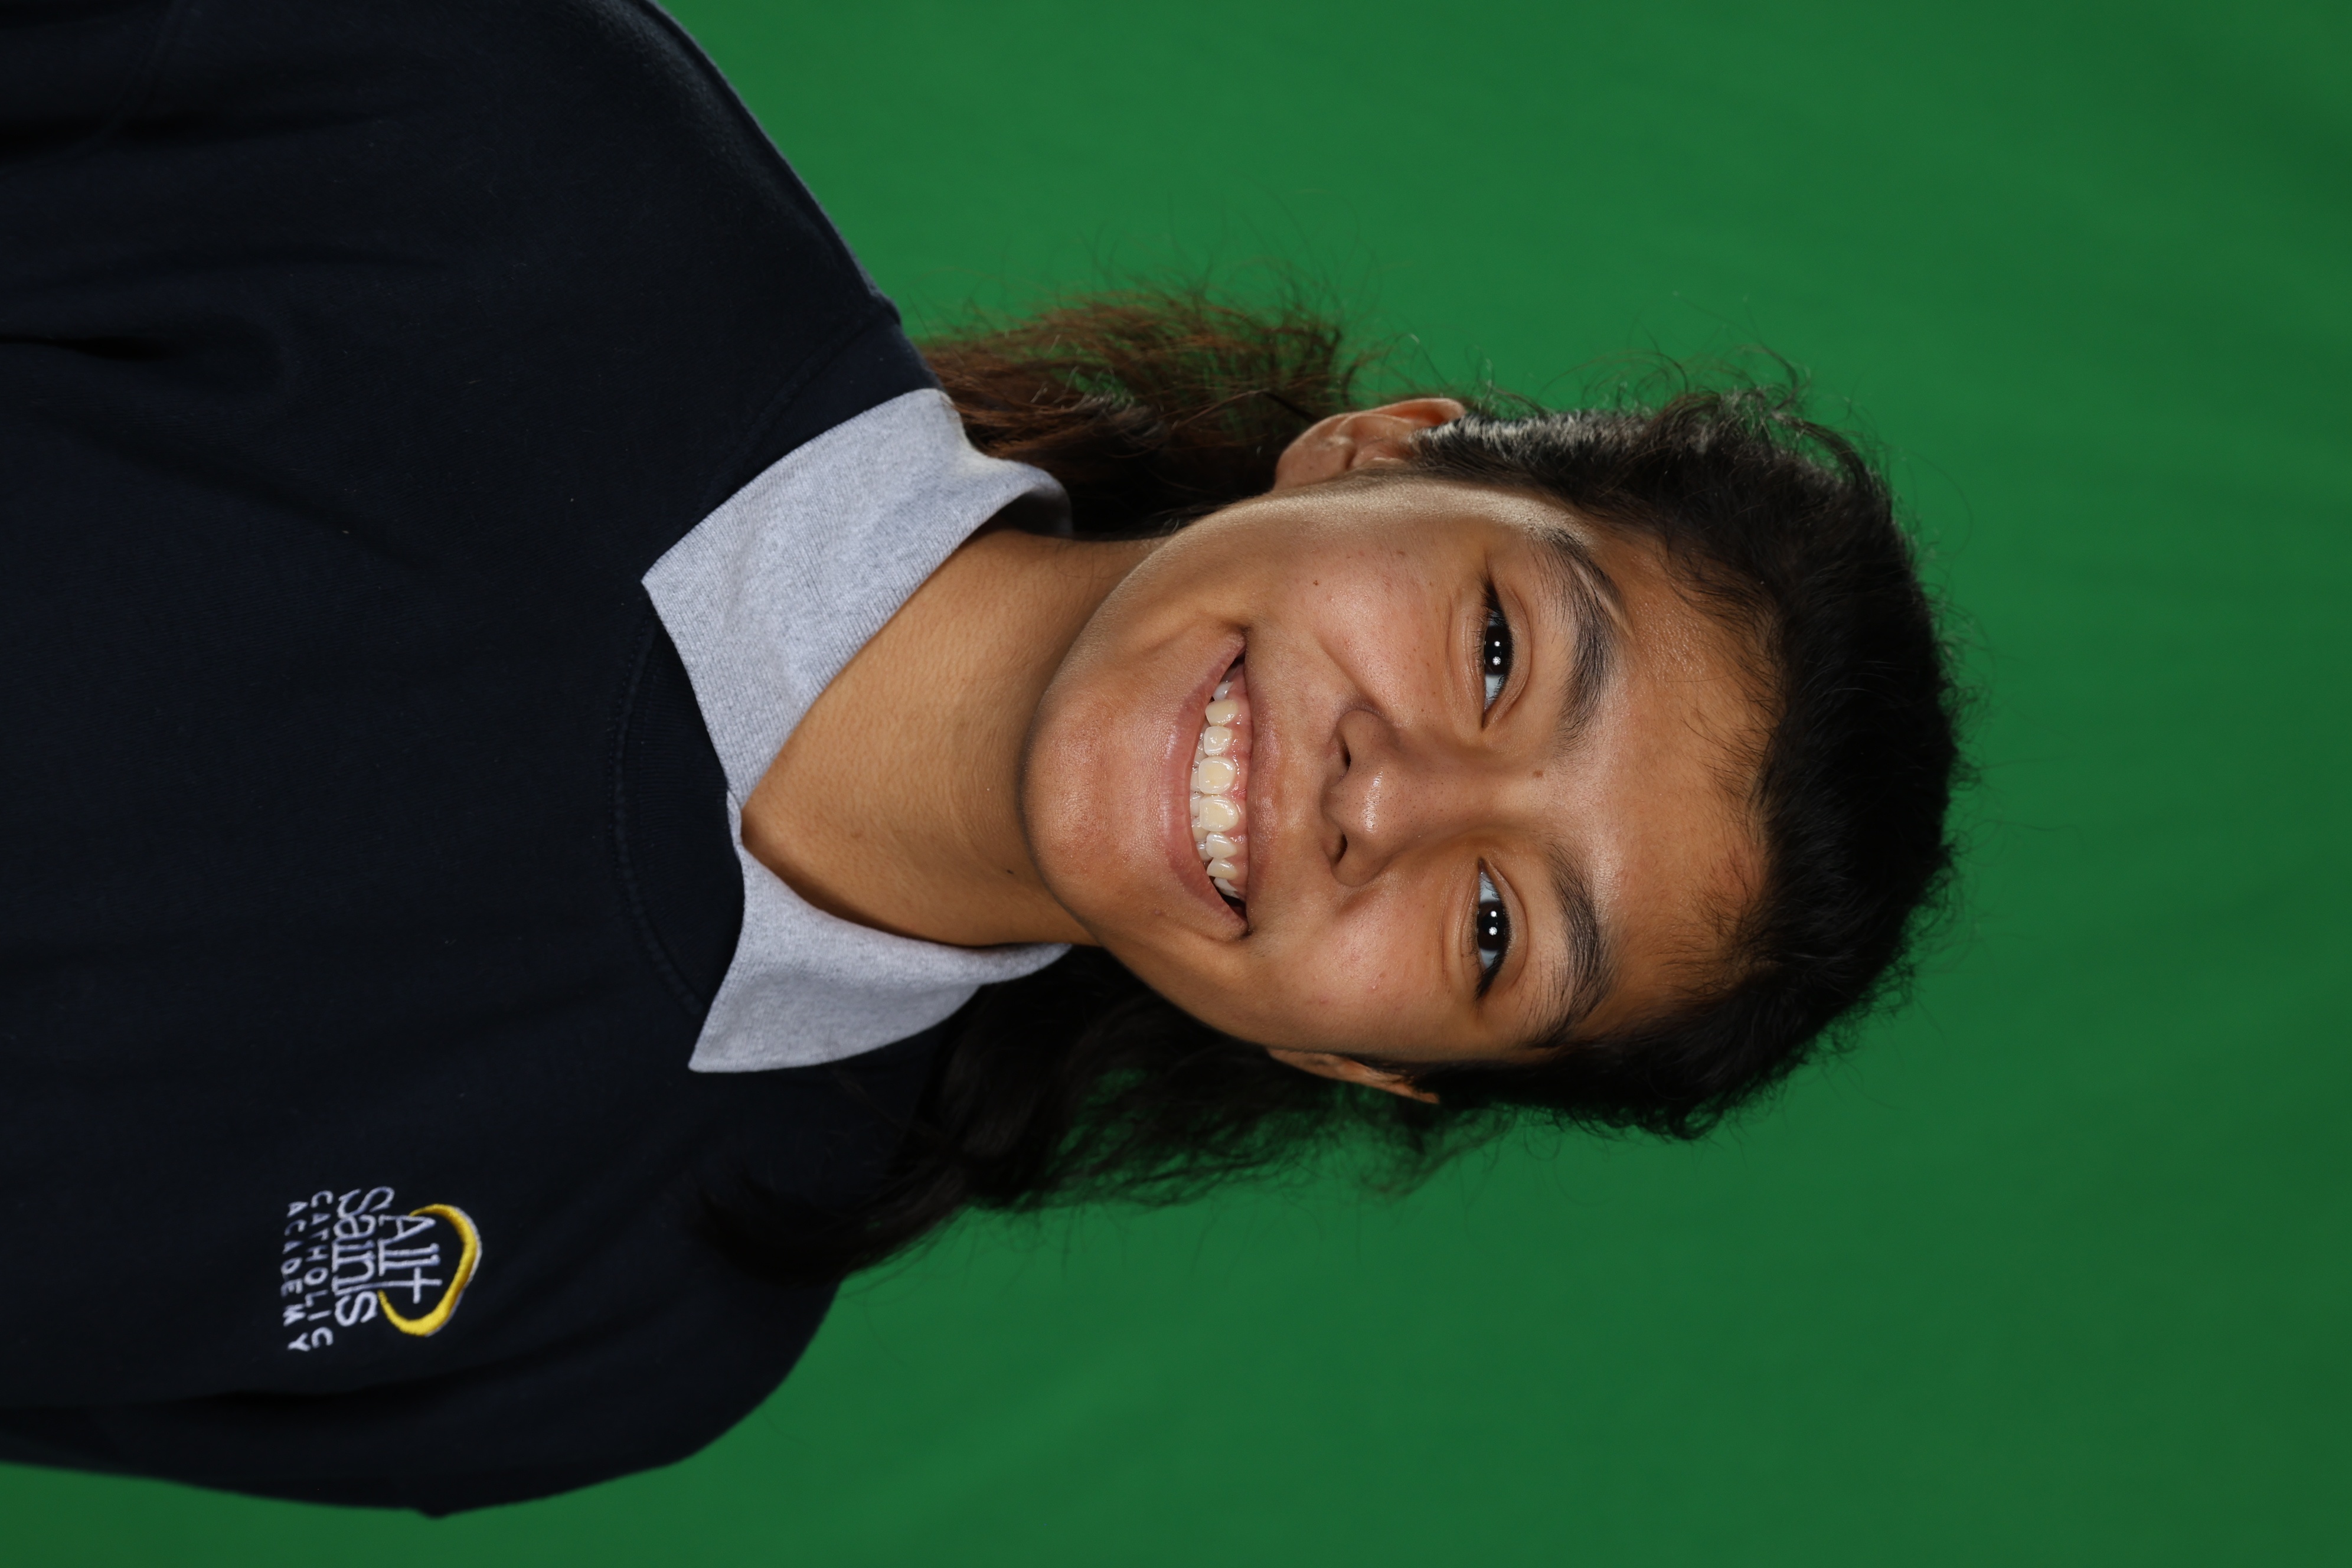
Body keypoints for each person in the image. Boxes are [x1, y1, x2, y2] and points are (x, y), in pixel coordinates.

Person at [0, 0, 1959, 1515]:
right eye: (1503, 651)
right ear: (1379, 452)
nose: (1389, 802)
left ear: (1360, 1063)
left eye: (1495, 932)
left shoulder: (641, 1331)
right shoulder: (498, 141)